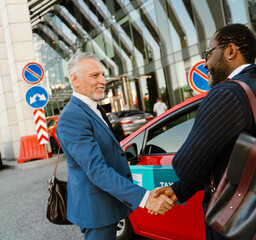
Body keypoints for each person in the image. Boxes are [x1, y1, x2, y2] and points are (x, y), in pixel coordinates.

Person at [154, 24, 256, 239]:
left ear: (230, 51)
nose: (206, 64)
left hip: (235, 220)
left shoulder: (226, 93)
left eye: (209, 53)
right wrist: (179, 190)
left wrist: (182, 178)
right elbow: (228, 156)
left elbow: (187, 166)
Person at [56, 52, 174, 240]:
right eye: (95, 75)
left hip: (107, 206)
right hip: (97, 212)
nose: (103, 80)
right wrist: (145, 199)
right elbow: (97, 170)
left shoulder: (93, 109)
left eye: (103, 74)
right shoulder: (72, 117)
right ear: (74, 79)